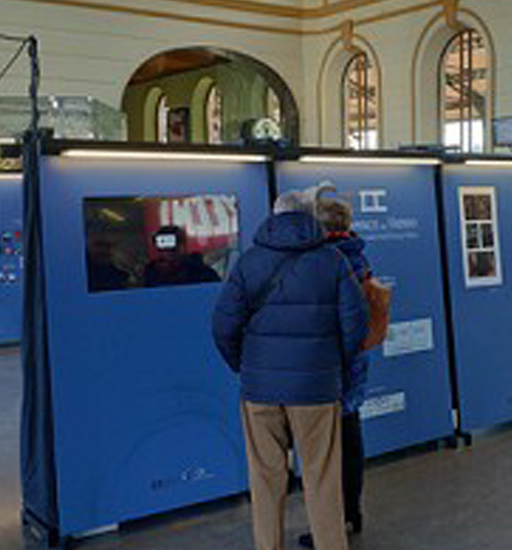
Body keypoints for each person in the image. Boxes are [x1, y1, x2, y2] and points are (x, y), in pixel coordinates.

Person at [212, 190, 369, 550]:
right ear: (309, 217)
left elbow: (222, 326)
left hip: (260, 391)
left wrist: (245, 366)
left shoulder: (248, 262)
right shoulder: (332, 262)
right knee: (322, 477)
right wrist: (331, 363)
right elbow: (355, 325)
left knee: (265, 478)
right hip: (316, 390)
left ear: (274, 216)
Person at [298, 197, 370, 549]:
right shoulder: (358, 253)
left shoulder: (323, 261)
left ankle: (332, 523)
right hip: (356, 357)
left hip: (329, 360)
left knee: (326, 451)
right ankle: (353, 511)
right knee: (351, 433)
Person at [144, 225, 221, 287]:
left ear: (183, 245)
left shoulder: (202, 272)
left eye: (172, 242)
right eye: (163, 243)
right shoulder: (152, 274)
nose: (168, 251)